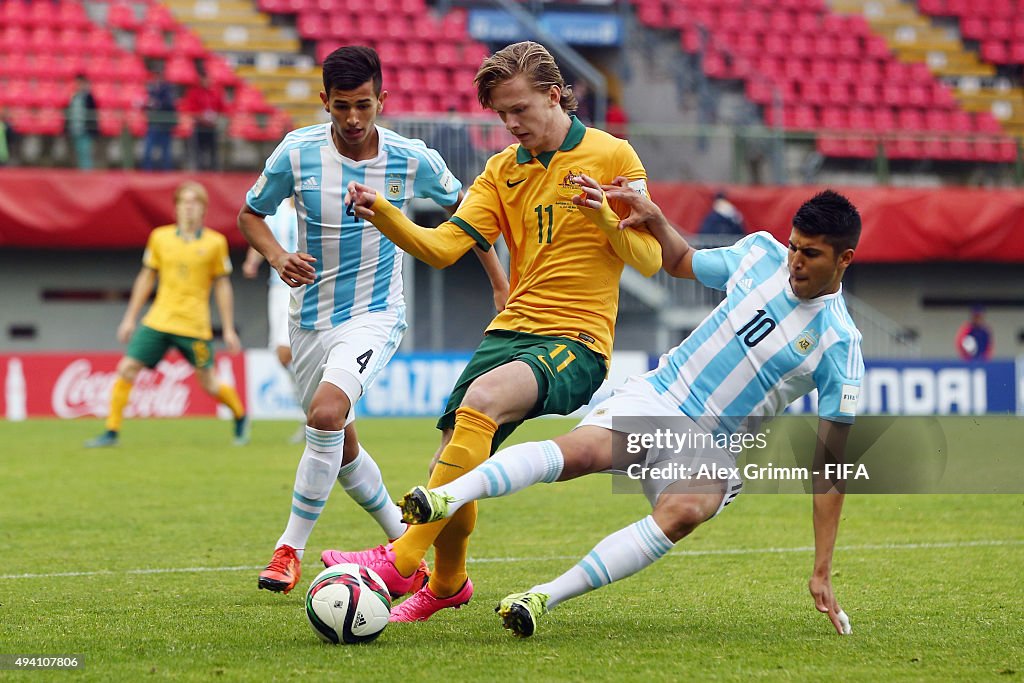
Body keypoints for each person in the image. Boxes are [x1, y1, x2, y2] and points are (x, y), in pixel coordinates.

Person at [397, 187, 865, 638]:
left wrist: (823, 568)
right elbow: (683, 263)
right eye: (793, 247)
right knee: (578, 454)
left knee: (686, 511)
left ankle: (541, 597)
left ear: (844, 259)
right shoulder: (760, 253)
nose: (795, 261)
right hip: (659, 397)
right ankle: (445, 497)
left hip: (708, 446)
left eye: (811, 255)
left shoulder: (839, 345)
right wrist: (657, 220)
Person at [325, 40, 663, 623]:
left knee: (480, 403)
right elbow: (441, 249)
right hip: (509, 333)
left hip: (576, 340)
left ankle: (402, 561)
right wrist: (384, 211)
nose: (511, 125)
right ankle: (449, 583)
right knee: (447, 470)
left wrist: (604, 216)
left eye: (520, 110)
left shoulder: (613, 157)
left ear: (555, 95)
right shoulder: (501, 170)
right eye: (501, 115)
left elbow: (651, 259)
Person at [237, 45, 510, 595]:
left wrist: (501, 286)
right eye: (342, 107)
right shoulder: (297, 153)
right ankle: (408, 558)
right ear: (325, 103)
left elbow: (472, 217)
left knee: (326, 412)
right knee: (341, 447)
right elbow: (250, 215)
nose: (354, 119)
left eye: (364, 105)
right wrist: (276, 256)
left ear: (382, 100)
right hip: (308, 319)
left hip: (375, 313)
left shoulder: (411, 159)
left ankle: (288, 549)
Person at [85, 181, 248, 448]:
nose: (188, 208)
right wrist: (129, 318)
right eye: (183, 202)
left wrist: (228, 328)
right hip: (159, 320)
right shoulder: (160, 238)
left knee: (208, 383)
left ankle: (240, 416)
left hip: (194, 325)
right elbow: (146, 278)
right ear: (175, 208)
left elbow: (222, 285)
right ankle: (111, 431)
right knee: (126, 368)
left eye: (194, 202)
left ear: (204, 209)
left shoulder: (215, 243)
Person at [242, 196, 305, 443]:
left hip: (301, 287)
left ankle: (314, 412)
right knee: (282, 356)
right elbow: (262, 237)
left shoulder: (309, 206)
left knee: (285, 353)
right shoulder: (275, 210)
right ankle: (312, 412)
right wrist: (252, 260)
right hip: (276, 288)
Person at [180, 74, 226, 171]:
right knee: (198, 151)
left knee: (213, 151)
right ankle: (200, 171)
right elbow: (190, 110)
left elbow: (222, 108)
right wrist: (201, 117)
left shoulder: (214, 92)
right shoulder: (194, 93)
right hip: (199, 126)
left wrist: (216, 117)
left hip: (212, 127)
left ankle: (213, 170)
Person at [141, 67, 178, 171]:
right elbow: (147, 104)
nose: (156, 78)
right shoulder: (152, 89)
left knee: (165, 151)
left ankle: (167, 172)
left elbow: (170, 104)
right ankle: (147, 171)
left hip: (165, 124)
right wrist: (146, 105)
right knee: (148, 149)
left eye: (158, 75)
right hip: (153, 123)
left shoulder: (168, 89)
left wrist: (158, 104)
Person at [66, 74, 98, 170]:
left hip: (86, 129)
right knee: (78, 151)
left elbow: (93, 111)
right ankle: (80, 170)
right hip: (75, 128)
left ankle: (87, 171)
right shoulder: (74, 96)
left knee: (85, 151)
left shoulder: (89, 97)